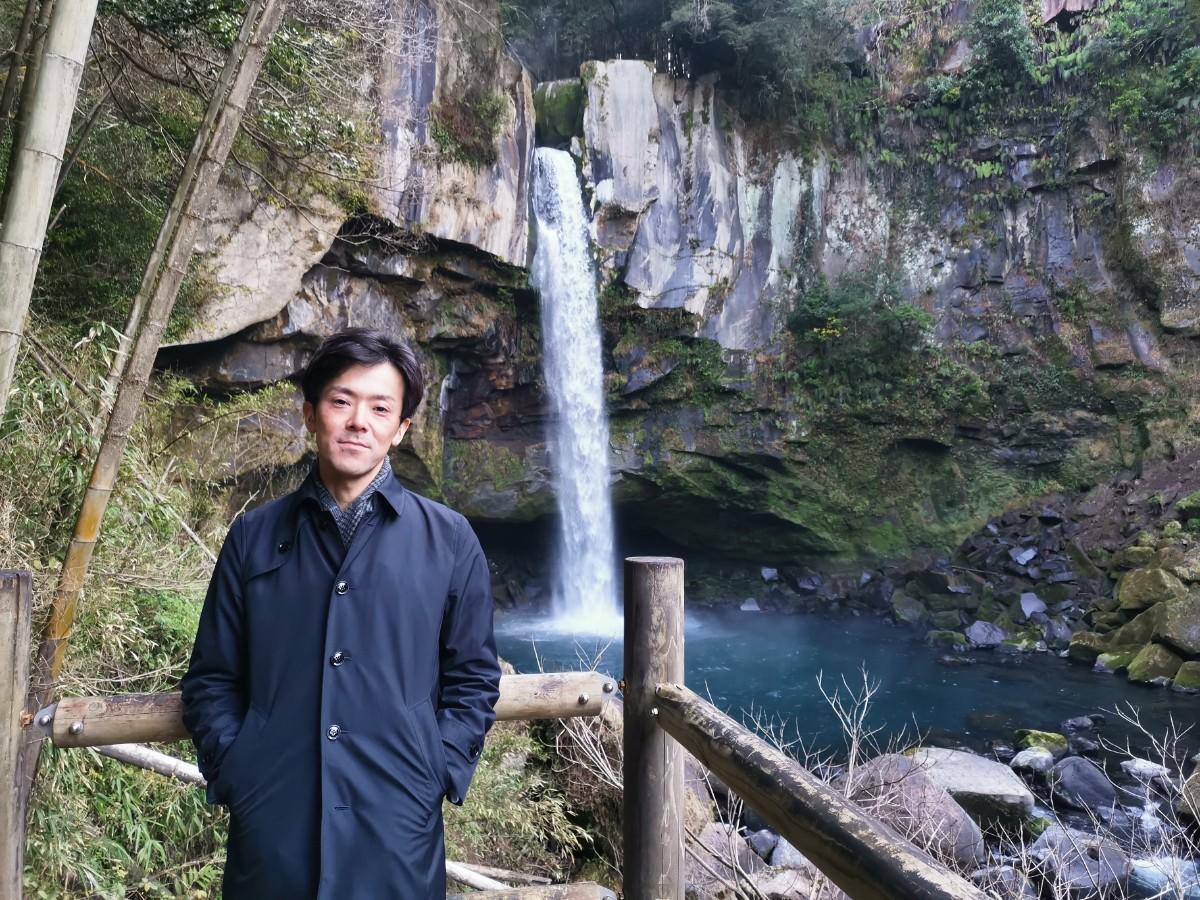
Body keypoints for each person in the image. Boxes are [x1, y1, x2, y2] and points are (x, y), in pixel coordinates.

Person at [181, 328, 501, 899]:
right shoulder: (254, 536)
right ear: (311, 414)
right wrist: (237, 767)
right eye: (341, 401)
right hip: (273, 822)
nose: (359, 422)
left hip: (398, 826)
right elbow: (212, 677)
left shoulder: (449, 540)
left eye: (380, 408)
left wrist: (439, 768)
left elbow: (474, 677)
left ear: (401, 429)